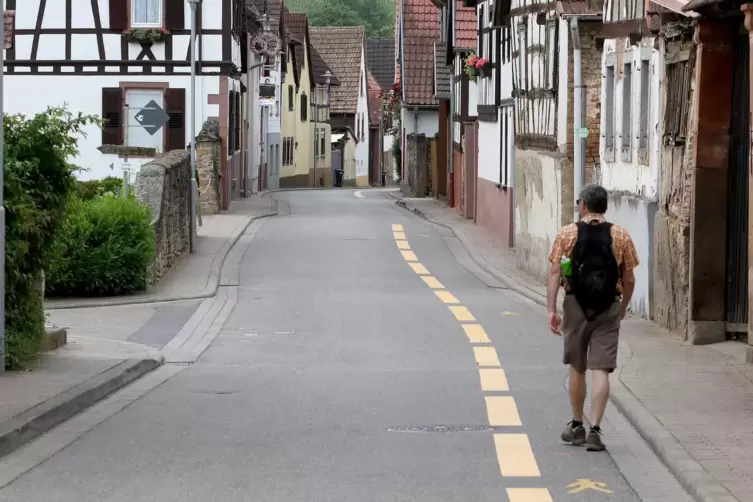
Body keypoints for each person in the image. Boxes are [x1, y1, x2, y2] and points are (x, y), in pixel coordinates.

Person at [546, 184, 638, 452]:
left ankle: (577, 425)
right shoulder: (621, 235)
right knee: (601, 369)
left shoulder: (566, 233)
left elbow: (554, 273)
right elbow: (629, 278)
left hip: (575, 305)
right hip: (609, 306)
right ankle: (596, 429)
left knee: (578, 366)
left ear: (583, 205)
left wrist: (552, 309)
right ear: (605, 207)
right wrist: (622, 308)